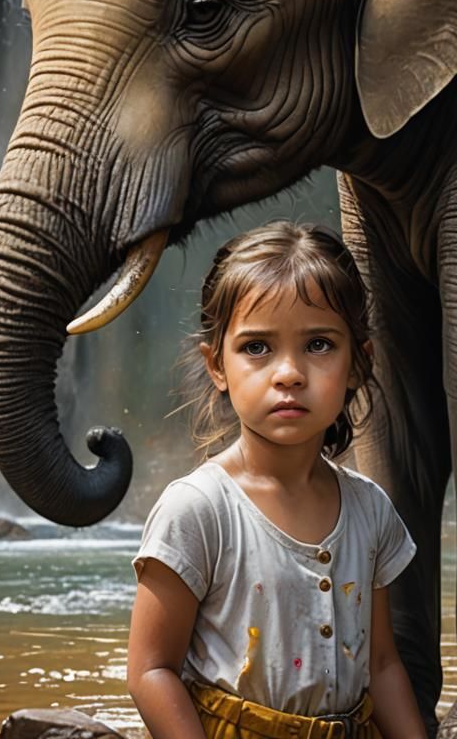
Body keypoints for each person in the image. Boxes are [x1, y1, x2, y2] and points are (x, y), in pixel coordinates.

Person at [127, 221, 427, 739]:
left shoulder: (370, 510)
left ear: (360, 363)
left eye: (318, 344)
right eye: (258, 348)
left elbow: (381, 665)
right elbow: (150, 672)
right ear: (216, 365)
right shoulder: (199, 510)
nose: (288, 373)